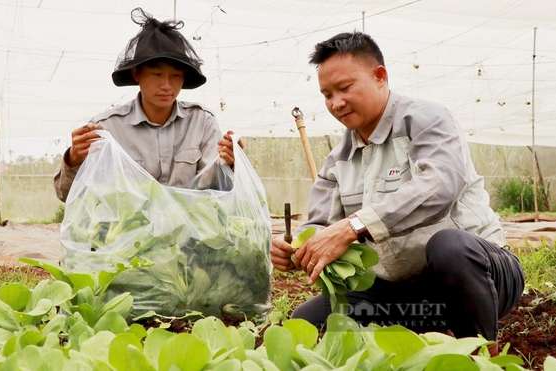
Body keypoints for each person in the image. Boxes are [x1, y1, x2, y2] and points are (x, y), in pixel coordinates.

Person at [270, 31, 524, 356]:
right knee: (309, 320)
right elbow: (321, 226)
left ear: (380, 77)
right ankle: (424, 330)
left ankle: (479, 355)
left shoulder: (427, 120)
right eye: (327, 94)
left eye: (345, 88)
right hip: (405, 296)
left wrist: (353, 227)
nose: (336, 103)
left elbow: (440, 185)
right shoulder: (338, 160)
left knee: (449, 246)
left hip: (480, 276)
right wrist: (299, 249)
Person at [54, 8, 242, 202]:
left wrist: (227, 164)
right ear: (137, 73)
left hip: (190, 231)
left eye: (176, 75)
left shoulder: (202, 122)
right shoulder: (107, 129)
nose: (167, 85)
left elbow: (216, 191)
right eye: (156, 74)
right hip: (127, 230)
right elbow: (66, 195)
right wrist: (75, 159)